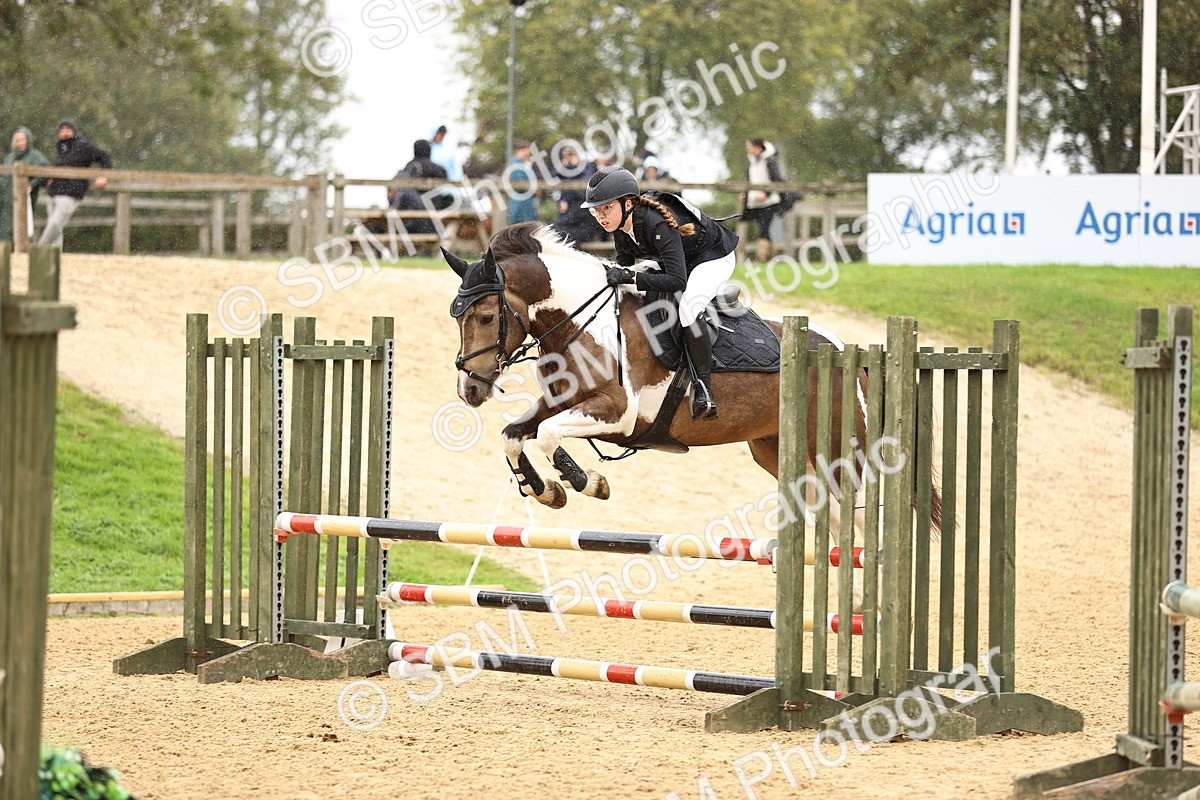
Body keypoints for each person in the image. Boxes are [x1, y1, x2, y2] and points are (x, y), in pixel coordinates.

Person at [580, 167, 738, 421]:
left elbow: (676, 280)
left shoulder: (655, 222)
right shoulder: (620, 225)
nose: (600, 216)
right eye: (596, 210)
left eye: (606, 208)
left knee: (688, 309)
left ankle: (703, 389)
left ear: (628, 203)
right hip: (675, 260)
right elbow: (625, 265)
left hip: (711, 257)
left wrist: (631, 277)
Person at [38, 120, 111, 249]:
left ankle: (38, 250)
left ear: (73, 130)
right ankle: (54, 260)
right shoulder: (60, 147)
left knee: (55, 224)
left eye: (68, 129)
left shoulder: (82, 145)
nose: (65, 132)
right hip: (54, 192)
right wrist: (49, 179)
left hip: (71, 193)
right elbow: (61, 166)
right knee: (55, 228)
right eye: (62, 129)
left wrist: (103, 176)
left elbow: (104, 156)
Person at [741, 137, 791, 262]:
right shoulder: (752, 163)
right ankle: (770, 258)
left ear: (757, 147)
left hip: (769, 202)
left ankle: (762, 258)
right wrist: (746, 195)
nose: (747, 149)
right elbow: (751, 182)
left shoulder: (769, 162)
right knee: (764, 229)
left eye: (749, 146)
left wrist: (766, 194)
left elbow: (776, 181)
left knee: (764, 229)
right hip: (756, 203)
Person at [387, 139, 449, 235]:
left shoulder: (410, 167)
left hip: (413, 219)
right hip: (434, 218)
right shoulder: (440, 169)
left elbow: (393, 191)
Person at [1, 127, 49, 245]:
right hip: (5, 199)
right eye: (18, 140)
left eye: (23, 139)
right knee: (5, 228)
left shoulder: (35, 156)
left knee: (21, 226)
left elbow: (45, 172)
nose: (21, 143)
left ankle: (20, 252)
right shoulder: (10, 157)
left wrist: (32, 184)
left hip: (22, 198)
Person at [550, 147, 597, 244]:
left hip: (580, 208)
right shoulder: (564, 168)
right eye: (567, 156)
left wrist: (577, 167)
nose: (569, 158)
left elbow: (583, 183)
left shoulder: (586, 167)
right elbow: (553, 177)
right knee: (558, 230)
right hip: (568, 208)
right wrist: (562, 166)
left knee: (566, 233)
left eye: (571, 155)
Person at [507, 141, 538, 225]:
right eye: (524, 153)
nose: (526, 156)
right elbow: (520, 183)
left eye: (528, 154)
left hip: (524, 202)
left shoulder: (522, 165)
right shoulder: (516, 165)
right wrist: (533, 189)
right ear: (518, 151)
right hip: (520, 203)